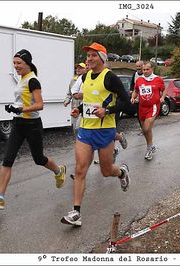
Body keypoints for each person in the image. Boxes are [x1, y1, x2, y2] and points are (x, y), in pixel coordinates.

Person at [0, 49, 66, 210]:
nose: (15, 66)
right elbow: (22, 101)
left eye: (19, 63)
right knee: (7, 159)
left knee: (39, 159)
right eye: (14, 63)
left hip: (32, 125)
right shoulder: (21, 79)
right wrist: (13, 107)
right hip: (18, 124)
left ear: (27, 63)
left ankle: (58, 171)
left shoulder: (33, 80)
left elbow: (40, 105)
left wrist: (21, 109)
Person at [61, 42, 131, 226]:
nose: (89, 59)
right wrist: (80, 111)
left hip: (105, 130)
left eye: (93, 56)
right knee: (79, 170)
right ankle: (76, 213)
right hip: (86, 129)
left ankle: (122, 172)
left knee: (106, 171)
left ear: (102, 58)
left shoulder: (110, 78)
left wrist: (107, 111)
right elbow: (90, 101)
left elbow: (127, 104)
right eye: (87, 56)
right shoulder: (85, 78)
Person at [131, 62, 166, 160]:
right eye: (144, 70)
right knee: (145, 129)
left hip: (153, 106)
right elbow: (136, 91)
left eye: (147, 69)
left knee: (146, 128)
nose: (145, 71)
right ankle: (150, 146)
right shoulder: (139, 80)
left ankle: (149, 148)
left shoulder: (157, 79)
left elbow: (163, 90)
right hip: (142, 107)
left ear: (152, 70)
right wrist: (133, 97)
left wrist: (162, 97)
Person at [66, 62, 88, 132]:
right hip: (74, 107)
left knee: (80, 128)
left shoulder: (88, 78)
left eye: (80, 68)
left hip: (84, 107)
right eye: (77, 68)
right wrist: (67, 100)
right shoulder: (73, 80)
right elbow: (69, 93)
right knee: (75, 128)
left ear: (85, 69)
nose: (78, 69)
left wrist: (82, 95)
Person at [130, 60, 145, 135]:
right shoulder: (135, 74)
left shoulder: (146, 74)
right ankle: (143, 129)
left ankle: (146, 128)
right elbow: (132, 83)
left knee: (144, 115)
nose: (138, 68)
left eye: (139, 66)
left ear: (143, 66)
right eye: (137, 66)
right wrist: (131, 90)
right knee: (139, 115)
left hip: (145, 99)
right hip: (137, 98)